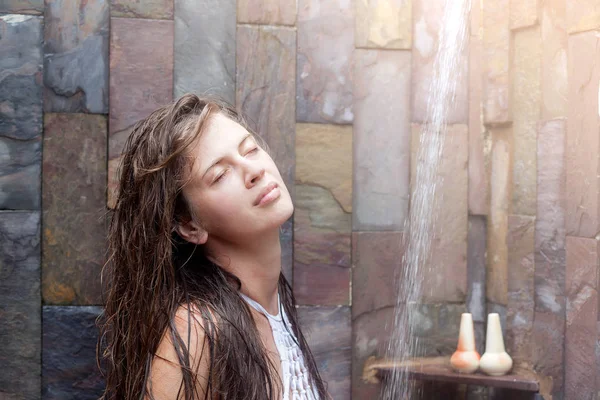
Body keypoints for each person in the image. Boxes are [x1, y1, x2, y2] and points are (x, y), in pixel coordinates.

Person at [98, 94, 329, 400]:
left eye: (250, 149)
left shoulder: (274, 304)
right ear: (190, 226)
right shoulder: (196, 330)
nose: (254, 170)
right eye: (220, 174)